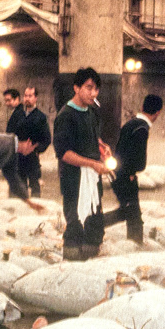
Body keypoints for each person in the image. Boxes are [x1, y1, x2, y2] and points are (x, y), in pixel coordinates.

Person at [53, 67, 112, 260]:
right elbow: (64, 153)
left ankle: (91, 261)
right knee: (75, 222)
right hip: (74, 179)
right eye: (89, 88)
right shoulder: (66, 116)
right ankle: (71, 262)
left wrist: (102, 147)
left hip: (92, 178)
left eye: (96, 89)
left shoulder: (92, 113)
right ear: (76, 88)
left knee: (95, 220)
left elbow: (92, 138)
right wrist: (92, 164)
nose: (93, 93)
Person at [104, 94, 162, 244]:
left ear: (142, 107)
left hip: (117, 173)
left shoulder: (131, 124)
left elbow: (120, 149)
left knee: (131, 212)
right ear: (158, 113)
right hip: (126, 176)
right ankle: (95, 224)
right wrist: (132, 172)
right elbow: (137, 157)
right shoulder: (142, 129)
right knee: (131, 213)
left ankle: (134, 243)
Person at [14, 86, 51, 197]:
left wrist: (36, 149)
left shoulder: (41, 117)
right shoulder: (18, 115)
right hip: (19, 157)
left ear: (35, 98)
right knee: (20, 187)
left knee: (35, 186)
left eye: (30, 96)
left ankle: (36, 206)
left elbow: (47, 139)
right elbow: (10, 134)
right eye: (25, 96)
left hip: (32, 158)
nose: (27, 98)